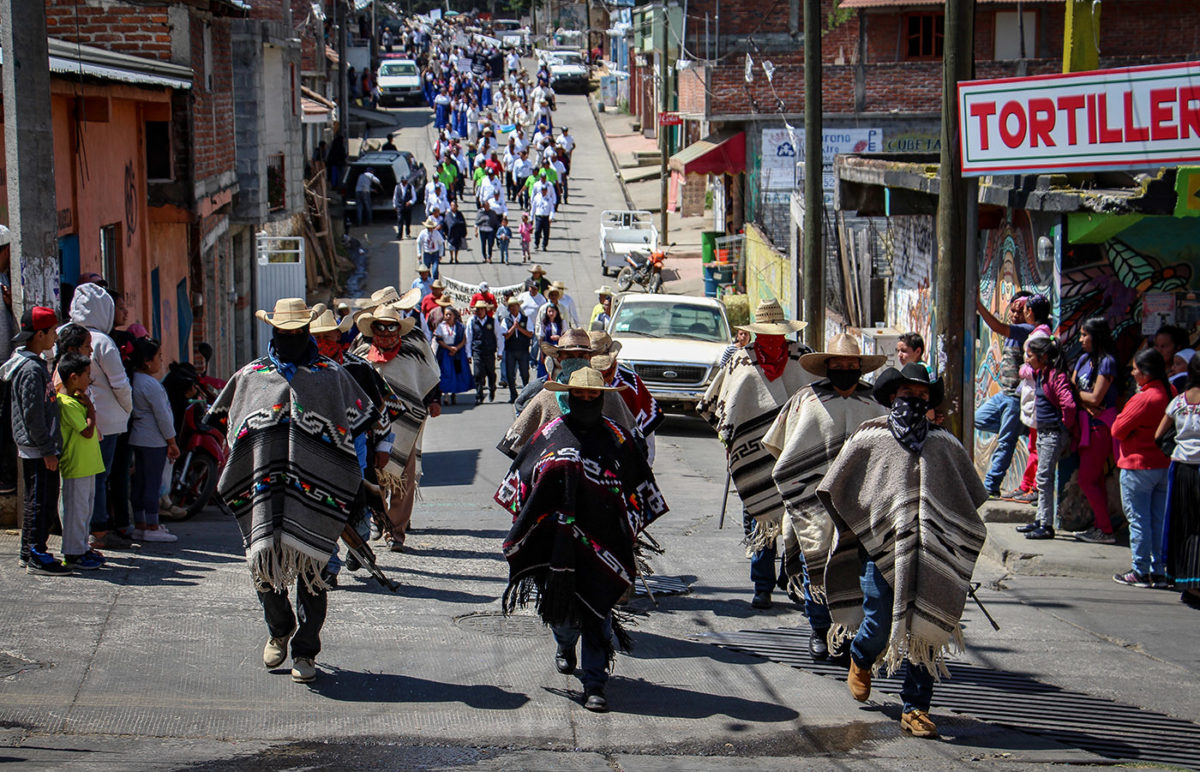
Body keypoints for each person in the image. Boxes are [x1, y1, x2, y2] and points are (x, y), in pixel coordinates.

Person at [207, 298, 379, 684]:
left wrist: (360, 481)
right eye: (284, 333)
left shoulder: (331, 376)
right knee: (263, 565)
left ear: (307, 331)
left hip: (319, 495)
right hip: (265, 491)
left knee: (314, 574)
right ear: (274, 332)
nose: (291, 339)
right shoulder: (251, 376)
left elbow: (359, 424)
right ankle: (278, 627)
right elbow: (228, 424)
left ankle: (306, 651)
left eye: (297, 333)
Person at [818, 363, 988, 739]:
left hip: (930, 553)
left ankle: (916, 708)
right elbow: (839, 487)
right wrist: (858, 525)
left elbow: (968, 496)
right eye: (908, 395)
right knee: (878, 622)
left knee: (924, 629)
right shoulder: (869, 438)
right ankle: (861, 657)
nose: (914, 401)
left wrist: (948, 534)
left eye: (922, 396)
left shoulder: (944, 444)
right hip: (878, 550)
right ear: (892, 396)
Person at [496, 367, 670, 713]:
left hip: (606, 542)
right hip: (555, 541)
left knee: (599, 610)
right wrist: (534, 520)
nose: (588, 400)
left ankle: (595, 682)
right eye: (581, 395)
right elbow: (521, 481)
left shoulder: (619, 438)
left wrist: (626, 526)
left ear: (602, 397)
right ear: (570, 396)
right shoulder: (549, 434)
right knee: (562, 615)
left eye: (594, 395)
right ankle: (564, 645)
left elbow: (639, 485)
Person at [762, 334, 888, 661]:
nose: (845, 369)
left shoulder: (876, 405)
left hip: (861, 504)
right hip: (812, 501)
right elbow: (781, 447)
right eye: (838, 364)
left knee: (856, 571)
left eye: (851, 364)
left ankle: (848, 632)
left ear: (859, 367)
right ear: (827, 366)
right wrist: (802, 482)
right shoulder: (806, 401)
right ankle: (819, 630)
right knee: (815, 563)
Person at [698, 299, 812, 609]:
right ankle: (762, 585)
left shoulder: (802, 358)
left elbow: (817, 398)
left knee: (799, 520)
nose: (773, 338)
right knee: (759, 516)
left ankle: (795, 582)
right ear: (757, 332)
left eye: (777, 332)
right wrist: (730, 436)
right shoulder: (740, 360)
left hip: (796, 453)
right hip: (754, 452)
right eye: (766, 333)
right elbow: (722, 404)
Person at [352, 297, 442, 552]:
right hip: (370, 426)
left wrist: (434, 399)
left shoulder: (413, 346)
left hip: (406, 423)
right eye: (381, 327)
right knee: (375, 476)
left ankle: (396, 531)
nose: (386, 333)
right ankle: (380, 520)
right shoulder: (361, 350)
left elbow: (429, 374)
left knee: (404, 476)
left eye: (392, 327)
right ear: (373, 327)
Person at [69, 284, 134, 551]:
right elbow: (120, 384)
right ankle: (97, 530)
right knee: (99, 476)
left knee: (76, 477)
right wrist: (127, 410)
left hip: (71, 417)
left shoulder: (64, 334)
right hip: (105, 422)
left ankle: (79, 530)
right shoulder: (103, 341)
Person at [3, 306, 67, 574]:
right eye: (52, 332)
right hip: (38, 449)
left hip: (38, 447)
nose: (55, 337)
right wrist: (47, 449)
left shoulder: (35, 364)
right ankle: (36, 554)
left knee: (38, 500)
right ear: (39, 335)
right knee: (40, 503)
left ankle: (30, 550)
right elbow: (33, 415)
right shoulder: (31, 369)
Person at [1112, 349, 1173, 588]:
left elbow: (1117, 429)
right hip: (1163, 465)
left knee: (1138, 520)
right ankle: (1157, 570)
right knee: (1157, 520)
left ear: (1146, 373)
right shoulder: (1170, 393)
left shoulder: (1144, 398)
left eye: (1136, 368)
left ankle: (1140, 570)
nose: (1133, 372)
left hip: (1138, 466)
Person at [975, 292, 1038, 496]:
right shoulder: (1016, 333)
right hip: (1004, 394)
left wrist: (979, 306)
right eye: (1012, 310)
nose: (1014, 314)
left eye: (1020, 311)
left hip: (1015, 398)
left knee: (1005, 442)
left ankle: (991, 487)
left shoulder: (1027, 330)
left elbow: (997, 327)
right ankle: (1019, 428)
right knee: (978, 419)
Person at [1014, 336, 1076, 540]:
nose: (1028, 359)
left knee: (1044, 478)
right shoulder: (1042, 374)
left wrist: (1063, 427)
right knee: (1043, 478)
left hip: (1052, 433)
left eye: (1031, 356)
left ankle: (1046, 525)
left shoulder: (1056, 377)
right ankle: (1040, 519)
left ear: (1043, 357)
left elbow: (1069, 405)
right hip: (1044, 432)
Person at [126, 339, 181, 542]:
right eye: (158, 357)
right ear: (148, 362)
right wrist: (172, 441)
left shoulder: (134, 380)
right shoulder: (150, 384)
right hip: (154, 440)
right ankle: (152, 525)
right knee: (152, 483)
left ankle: (141, 524)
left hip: (138, 438)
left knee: (140, 482)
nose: (161, 360)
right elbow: (163, 416)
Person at [55, 352, 106, 570]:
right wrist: (92, 410)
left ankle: (82, 548)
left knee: (85, 510)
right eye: (87, 375)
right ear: (74, 378)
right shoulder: (66, 403)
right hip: (75, 466)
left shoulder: (77, 401)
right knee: (75, 512)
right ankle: (73, 553)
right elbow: (86, 431)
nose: (89, 379)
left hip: (88, 465)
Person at [1071, 318, 1119, 544]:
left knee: (1086, 480)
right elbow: (1073, 390)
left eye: (1084, 335)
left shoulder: (1107, 362)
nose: (1081, 340)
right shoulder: (1083, 360)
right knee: (1095, 479)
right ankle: (1101, 526)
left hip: (1100, 427)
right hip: (1084, 426)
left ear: (1096, 336)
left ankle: (1106, 531)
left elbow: (1096, 397)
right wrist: (1086, 402)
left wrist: (1084, 399)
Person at [1158, 352, 1200, 608]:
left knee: (1184, 525)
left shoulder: (1178, 401)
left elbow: (1159, 434)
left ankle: (1187, 582)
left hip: (1180, 468)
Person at [589, 330, 664, 466]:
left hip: (625, 456)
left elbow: (646, 423)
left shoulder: (629, 382)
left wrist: (646, 464)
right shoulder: (579, 377)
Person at [433, 305, 473, 404]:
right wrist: (449, 348)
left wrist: (456, 348)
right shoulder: (441, 326)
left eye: (450, 314)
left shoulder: (460, 326)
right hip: (445, 353)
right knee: (446, 374)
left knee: (457, 373)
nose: (447, 317)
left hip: (457, 353)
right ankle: (446, 395)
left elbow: (464, 339)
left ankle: (454, 393)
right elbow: (439, 340)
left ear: (454, 316)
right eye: (446, 315)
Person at [501, 297, 533, 403]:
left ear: (518, 307)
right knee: (510, 374)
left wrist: (519, 328)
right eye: (511, 307)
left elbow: (530, 334)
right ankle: (513, 394)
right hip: (510, 350)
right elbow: (505, 335)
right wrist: (513, 328)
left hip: (523, 349)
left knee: (524, 373)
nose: (513, 308)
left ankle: (525, 394)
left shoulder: (526, 319)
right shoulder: (505, 320)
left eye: (515, 306)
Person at [536, 303, 564, 379]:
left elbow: (565, 335)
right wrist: (541, 352)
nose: (551, 313)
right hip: (547, 347)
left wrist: (559, 337)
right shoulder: (544, 323)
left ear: (556, 312)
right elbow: (541, 338)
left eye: (553, 311)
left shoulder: (561, 323)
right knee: (545, 366)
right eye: (549, 311)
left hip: (558, 348)